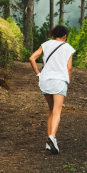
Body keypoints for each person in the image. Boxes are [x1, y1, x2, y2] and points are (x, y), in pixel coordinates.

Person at [28, 24, 75, 154]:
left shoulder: (46, 44)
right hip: (59, 81)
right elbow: (69, 68)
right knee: (57, 111)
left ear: (53, 35)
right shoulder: (68, 48)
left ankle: (48, 142)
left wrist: (38, 73)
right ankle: (52, 137)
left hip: (45, 80)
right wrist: (68, 81)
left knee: (51, 110)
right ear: (65, 36)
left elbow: (32, 58)